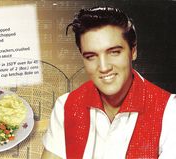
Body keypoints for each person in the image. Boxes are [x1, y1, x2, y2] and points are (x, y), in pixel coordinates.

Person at [42, 6, 176, 159]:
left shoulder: (170, 112)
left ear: (133, 51)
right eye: (91, 56)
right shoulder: (65, 106)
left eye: (114, 52)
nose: (104, 67)